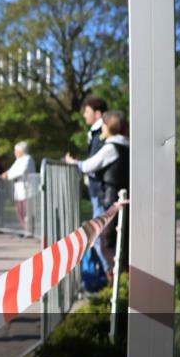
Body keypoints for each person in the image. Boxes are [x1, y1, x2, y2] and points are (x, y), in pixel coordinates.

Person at [66, 111, 129, 274]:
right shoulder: (126, 144)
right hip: (121, 196)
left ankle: (116, 278)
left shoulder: (111, 147)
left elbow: (88, 166)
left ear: (109, 126)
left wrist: (73, 162)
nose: (101, 128)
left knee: (106, 241)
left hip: (111, 198)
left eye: (104, 125)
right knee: (119, 239)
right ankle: (120, 277)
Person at [80, 96, 108, 265]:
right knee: (98, 233)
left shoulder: (102, 133)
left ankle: (109, 274)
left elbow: (95, 163)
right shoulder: (96, 133)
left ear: (98, 114)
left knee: (100, 234)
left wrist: (78, 164)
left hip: (100, 190)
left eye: (87, 111)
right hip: (97, 189)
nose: (84, 114)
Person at [2, 141, 36, 235]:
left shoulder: (28, 158)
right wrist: (7, 173)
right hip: (19, 190)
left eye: (16, 151)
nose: (15, 153)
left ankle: (29, 231)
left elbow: (21, 171)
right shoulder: (18, 160)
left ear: (21, 151)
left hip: (27, 190)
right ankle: (25, 229)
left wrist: (8, 175)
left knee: (27, 212)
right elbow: (12, 170)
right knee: (20, 211)